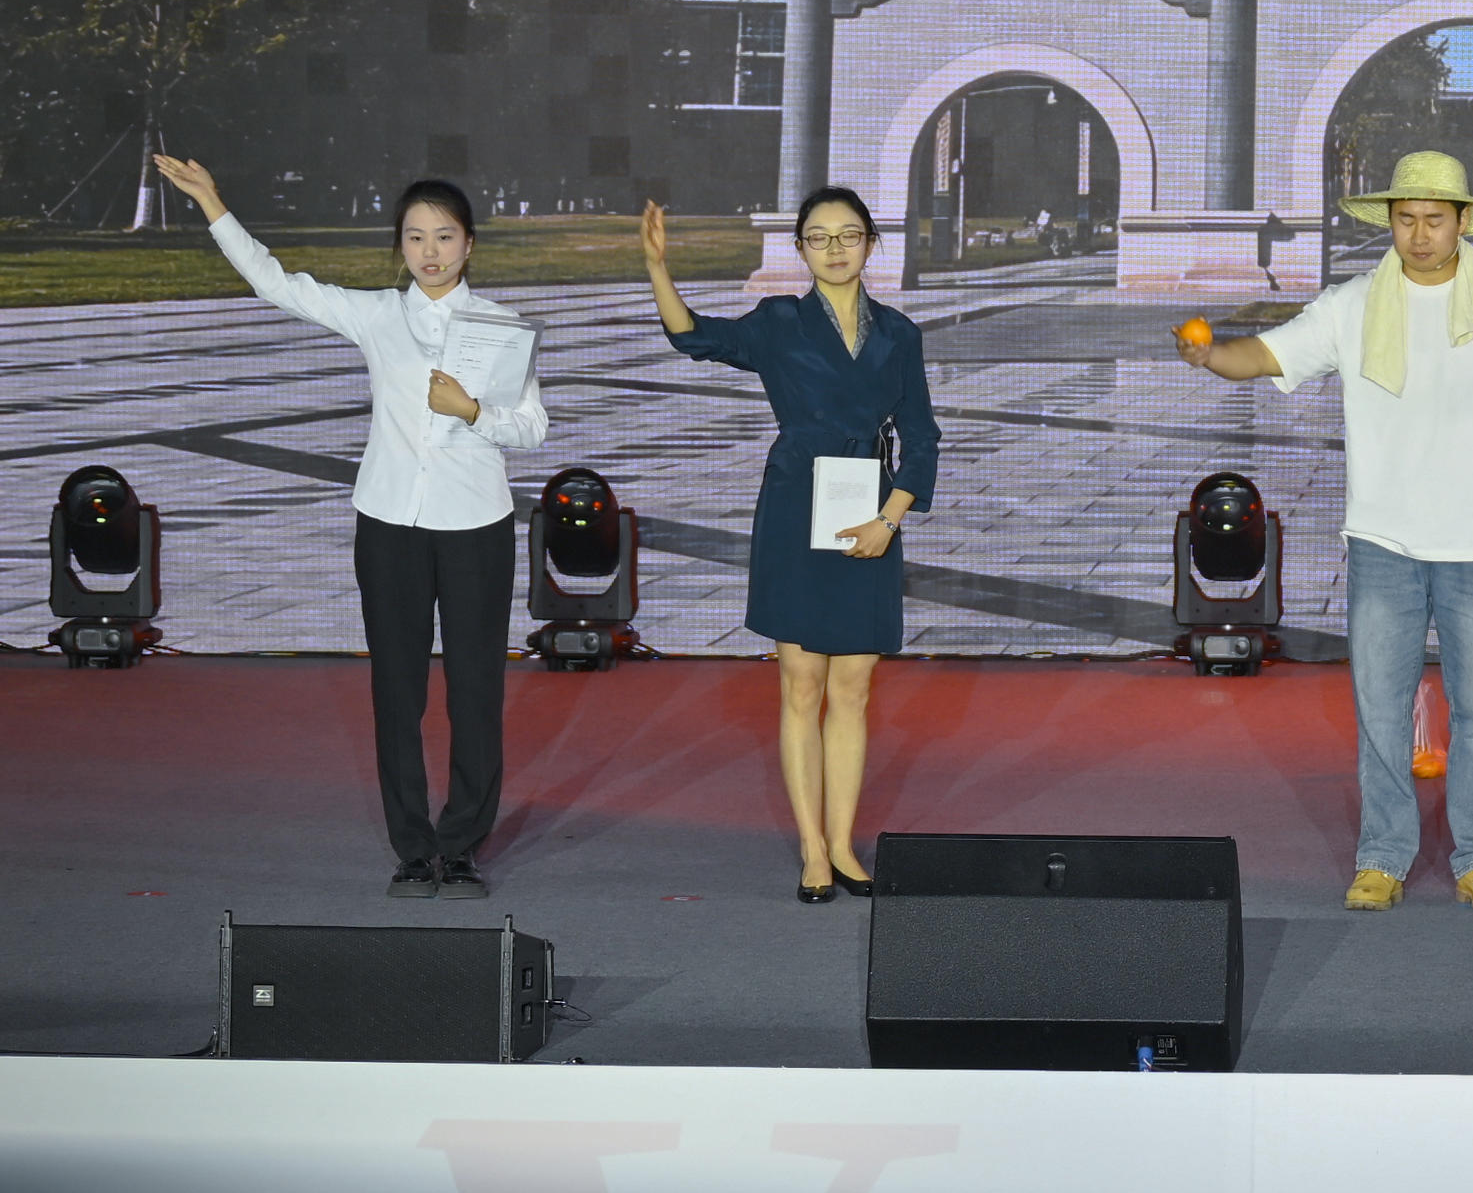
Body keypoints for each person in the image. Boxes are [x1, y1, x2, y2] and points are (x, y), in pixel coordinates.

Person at [1177, 151, 1473, 911]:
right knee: (1380, 712)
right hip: (1382, 541)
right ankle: (1382, 855)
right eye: (1406, 219)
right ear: (1389, 221)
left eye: (1434, 220)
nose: (1419, 235)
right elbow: (1269, 353)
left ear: (1463, 222)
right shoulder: (1351, 304)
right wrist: (1211, 355)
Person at [152, 155, 549, 898]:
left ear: (469, 244)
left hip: (476, 526)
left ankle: (462, 845)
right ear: (399, 245)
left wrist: (473, 412)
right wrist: (213, 202)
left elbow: (532, 427)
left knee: (475, 690)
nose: (430, 251)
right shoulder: (377, 315)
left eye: (444, 236)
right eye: (415, 237)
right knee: (397, 690)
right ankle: (413, 848)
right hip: (390, 523)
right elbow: (276, 283)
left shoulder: (502, 327)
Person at [643, 185, 940, 902]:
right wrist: (657, 268)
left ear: (871, 243)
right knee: (802, 684)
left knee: (854, 688)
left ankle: (842, 844)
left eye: (849, 235)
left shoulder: (900, 334)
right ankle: (812, 849)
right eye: (819, 236)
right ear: (800, 248)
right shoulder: (779, 321)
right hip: (794, 505)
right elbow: (694, 337)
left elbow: (923, 437)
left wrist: (889, 519)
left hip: (870, 512)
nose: (835, 248)